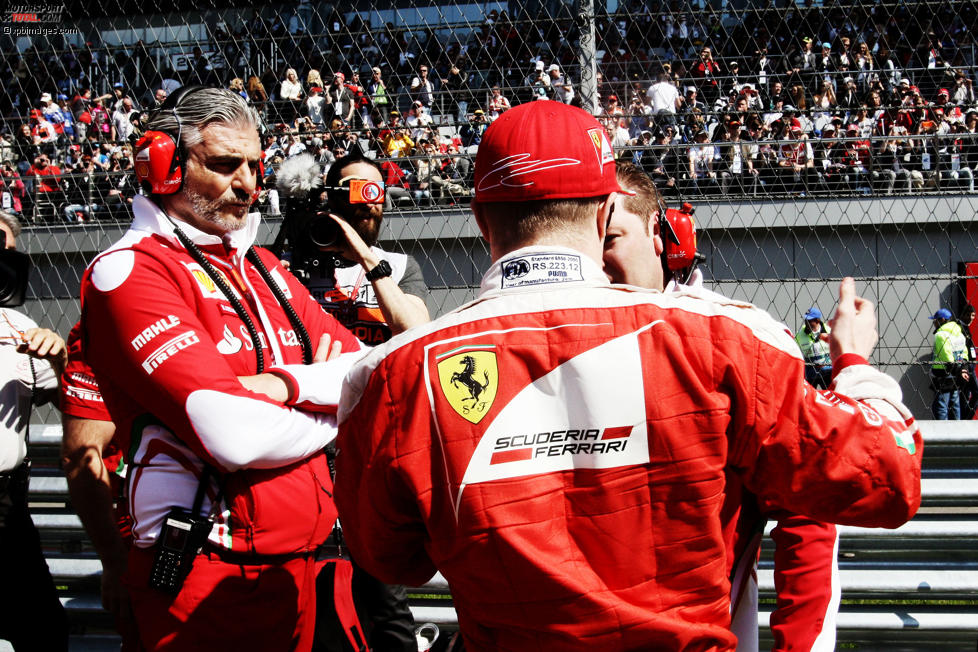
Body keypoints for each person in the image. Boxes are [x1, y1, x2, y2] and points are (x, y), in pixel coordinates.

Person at [332, 101, 922, 651]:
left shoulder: (395, 373)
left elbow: (392, 558)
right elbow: (888, 478)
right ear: (605, 208)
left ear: (481, 217)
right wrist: (855, 368)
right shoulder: (728, 339)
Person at [78, 86, 364, 651]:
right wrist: (328, 412)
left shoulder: (262, 265)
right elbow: (231, 434)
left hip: (306, 563)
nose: (249, 184)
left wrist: (282, 386)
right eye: (226, 165)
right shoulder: (127, 272)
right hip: (205, 573)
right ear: (162, 165)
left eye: (255, 165)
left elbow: (370, 370)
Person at [603, 163, 841, 652]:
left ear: (660, 234)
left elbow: (807, 514)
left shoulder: (735, 348)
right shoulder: (541, 340)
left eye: (609, 238)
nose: (594, 263)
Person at [274, 152, 428, 651]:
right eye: (352, 192)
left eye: (375, 192)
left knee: (386, 611)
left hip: (375, 454)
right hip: (305, 454)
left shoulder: (398, 267)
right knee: (304, 608)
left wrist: (362, 255)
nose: (366, 203)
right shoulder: (282, 270)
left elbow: (416, 333)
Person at [0, 210, 70, 651]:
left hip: (6, 504)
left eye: (3, 241)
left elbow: (74, 409)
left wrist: (61, 360)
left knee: (43, 631)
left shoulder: (21, 328)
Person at [930, 307, 969, 420]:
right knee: (954, 405)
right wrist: (962, 370)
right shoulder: (959, 333)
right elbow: (965, 353)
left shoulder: (940, 335)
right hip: (957, 375)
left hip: (943, 374)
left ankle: (942, 434)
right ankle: (956, 432)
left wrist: (956, 370)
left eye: (935, 320)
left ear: (942, 319)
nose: (934, 323)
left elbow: (946, 356)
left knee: (941, 407)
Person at [795, 307, 833, 388]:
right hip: (810, 373)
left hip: (828, 372)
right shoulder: (800, 335)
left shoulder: (830, 331)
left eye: (809, 320)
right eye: (805, 320)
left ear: (817, 320)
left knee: (830, 396)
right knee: (808, 397)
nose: (806, 322)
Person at [957, 305, 978, 419]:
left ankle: (965, 417)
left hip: (970, 365)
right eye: (969, 315)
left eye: (973, 315)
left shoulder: (965, 327)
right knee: (974, 393)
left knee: (965, 394)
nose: (971, 318)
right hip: (966, 366)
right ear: (963, 314)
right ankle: (966, 418)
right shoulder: (959, 327)